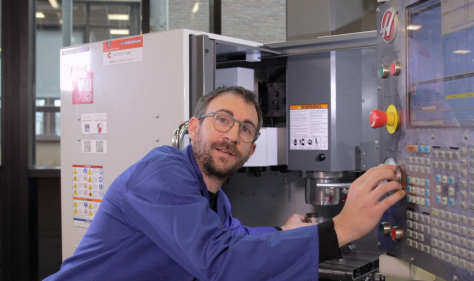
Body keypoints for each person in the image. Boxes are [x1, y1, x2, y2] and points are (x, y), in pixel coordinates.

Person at [45, 86, 404, 281]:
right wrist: (340, 229)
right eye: (222, 120)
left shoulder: (214, 197)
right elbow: (218, 262)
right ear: (195, 127)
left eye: (245, 129)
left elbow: (234, 239)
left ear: (251, 148)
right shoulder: (161, 173)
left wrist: (282, 229)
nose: (232, 134)